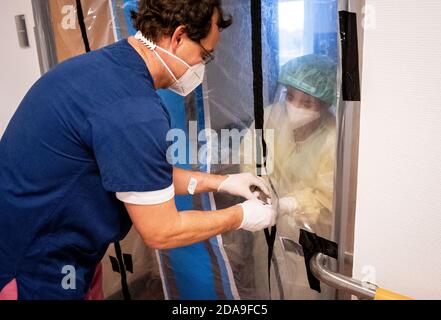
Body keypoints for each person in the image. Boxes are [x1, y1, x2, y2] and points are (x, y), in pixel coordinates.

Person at [0, 0, 276, 300]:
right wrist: (241, 217)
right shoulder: (133, 108)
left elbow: (141, 174)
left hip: (64, 250)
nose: (200, 66)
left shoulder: (104, 66)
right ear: (179, 37)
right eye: (204, 55)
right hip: (36, 266)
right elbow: (162, 230)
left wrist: (221, 182)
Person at [242, 54, 337, 299]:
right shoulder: (269, 118)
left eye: (307, 103)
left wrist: (290, 204)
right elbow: (249, 163)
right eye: (291, 96)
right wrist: (259, 194)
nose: (294, 107)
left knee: (305, 289)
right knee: (268, 283)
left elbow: (329, 198)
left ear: (325, 104)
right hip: (268, 228)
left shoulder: (334, 140)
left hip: (311, 237)